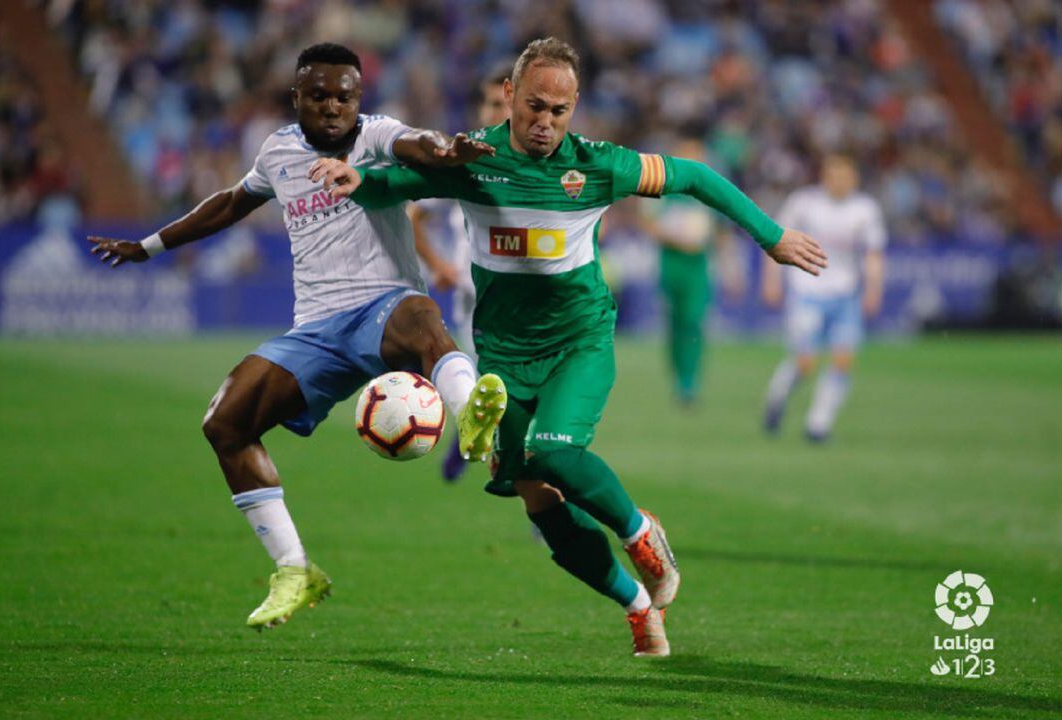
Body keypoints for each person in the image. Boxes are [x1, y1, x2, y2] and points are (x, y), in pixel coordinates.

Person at [310, 37, 827, 657]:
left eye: (559, 110)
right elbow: (394, 185)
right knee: (539, 499)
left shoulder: (599, 165)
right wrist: (354, 177)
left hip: (579, 339)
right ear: (510, 96)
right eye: (534, 106)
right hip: (503, 354)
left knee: (553, 452)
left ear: (575, 106)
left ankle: (640, 532)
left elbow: (694, 176)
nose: (545, 122)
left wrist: (769, 237)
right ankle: (636, 605)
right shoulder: (472, 158)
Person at [88, 43, 508, 630]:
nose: (333, 106)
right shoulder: (278, 150)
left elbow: (421, 145)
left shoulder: (376, 134)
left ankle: (475, 423)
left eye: (344, 96)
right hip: (315, 329)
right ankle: (294, 569)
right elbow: (231, 203)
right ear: (297, 98)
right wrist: (149, 246)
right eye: (319, 96)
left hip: (384, 306)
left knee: (421, 317)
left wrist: (447, 150)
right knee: (225, 423)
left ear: (358, 100)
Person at [409, 61, 512, 482]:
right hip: (479, 295)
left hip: (531, 295)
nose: (497, 113)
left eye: (505, 104)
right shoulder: (464, 158)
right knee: (492, 386)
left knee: (510, 391)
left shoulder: (542, 160)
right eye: (491, 103)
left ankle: (467, 446)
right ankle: (535, 492)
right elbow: (415, 213)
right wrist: (438, 266)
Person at [761, 153, 886, 442]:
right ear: (824, 176)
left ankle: (818, 424)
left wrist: (873, 289)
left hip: (846, 295)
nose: (840, 181)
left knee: (843, 360)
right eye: (834, 175)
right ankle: (777, 398)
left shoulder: (865, 209)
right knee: (805, 361)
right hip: (807, 292)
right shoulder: (804, 203)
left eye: (845, 175)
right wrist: (771, 281)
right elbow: (773, 240)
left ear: (854, 178)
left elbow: (874, 254)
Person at [640, 136, 744, 406]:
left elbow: (722, 232)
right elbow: (647, 223)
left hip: (698, 266)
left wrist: (732, 269)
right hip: (671, 263)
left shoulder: (709, 192)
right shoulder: (662, 188)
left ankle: (690, 382)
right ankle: (677, 373)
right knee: (674, 322)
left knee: (694, 321)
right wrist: (674, 236)